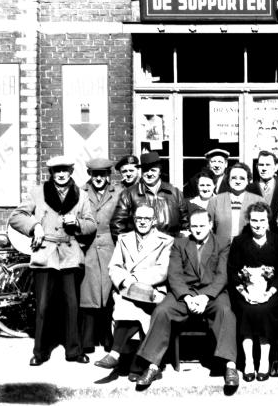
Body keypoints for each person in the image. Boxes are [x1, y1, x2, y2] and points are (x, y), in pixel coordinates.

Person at [106, 209, 239, 389]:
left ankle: (230, 366)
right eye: (194, 226)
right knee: (161, 311)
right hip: (185, 292)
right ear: (189, 227)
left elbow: (222, 276)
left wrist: (205, 297)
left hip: (212, 295)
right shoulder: (180, 243)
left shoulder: (223, 243)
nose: (198, 229)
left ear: (210, 225)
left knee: (226, 312)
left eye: (202, 225)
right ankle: (152, 366)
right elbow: (174, 275)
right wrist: (187, 297)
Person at [9, 155, 97, 366]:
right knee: (43, 306)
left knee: (72, 305)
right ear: (51, 173)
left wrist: (76, 222)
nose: (61, 174)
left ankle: (74, 351)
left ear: (71, 171)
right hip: (45, 254)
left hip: (70, 254)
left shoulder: (81, 195)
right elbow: (16, 216)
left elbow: (91, 224)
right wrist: (35, 226)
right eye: (57, 170)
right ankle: (40, 351)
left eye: (65, 170)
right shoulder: (37, 192)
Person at [97, 204, 173, 383]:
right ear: (134, 220)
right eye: (139, 218)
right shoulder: (124, 239)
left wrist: (135, 278)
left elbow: (162, 270)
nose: (142, 222)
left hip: (152, 291)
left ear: (154, 221)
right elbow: (114, 266)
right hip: (127, 289)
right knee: (127, 304)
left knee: (136, 308)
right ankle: (135, 366)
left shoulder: (166, 241)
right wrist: (124, 281)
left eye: (147, 219)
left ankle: (117, 355)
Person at [227, 202, 278, 382]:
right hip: (244, 292)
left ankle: (264, 361)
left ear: (268, 221)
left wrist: (269, 293)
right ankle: (249, 362)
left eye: (262, 220)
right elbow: (232, 271)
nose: (258, 224)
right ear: (249, 221)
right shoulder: (240, 242)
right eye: (254, 220)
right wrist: (244, 292)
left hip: (272, 292)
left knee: (265, 310)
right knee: (247, 310)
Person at [79, 158, 123, 355]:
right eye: (95, 174)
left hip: (110, 245)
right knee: (87, 293)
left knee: (108, 292)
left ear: (108, 175)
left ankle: (107, 337)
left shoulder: (118, 192)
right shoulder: (80, 192)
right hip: (86, 245)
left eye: (103, 174)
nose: (98, 178)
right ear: (90, 174)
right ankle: (87, 339)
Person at [111, 152, 189, 240]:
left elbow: (185, 224)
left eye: (153, 170)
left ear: (160, 171)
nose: (149, 174)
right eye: (146, 170)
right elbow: (117, 225)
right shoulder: (129, 194)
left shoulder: (175, 193)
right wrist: (129, 247)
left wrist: (179, 246)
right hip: (142, 249)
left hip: (171, 248)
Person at [207, 163, 265, 247]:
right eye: (234, 178)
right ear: (228, 180)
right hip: (222, 251)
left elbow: (264, 230)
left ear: (248, 181)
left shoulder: (258, 200)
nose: (238, 181)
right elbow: (208, 229)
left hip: (249, 250)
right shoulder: (214, 201)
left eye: (242, 178)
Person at [245, 150, 278, 233]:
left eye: (268, 165)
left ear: (276, 167)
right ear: (257, 167)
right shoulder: (248, 189)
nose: (264, 168)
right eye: (261, 165)